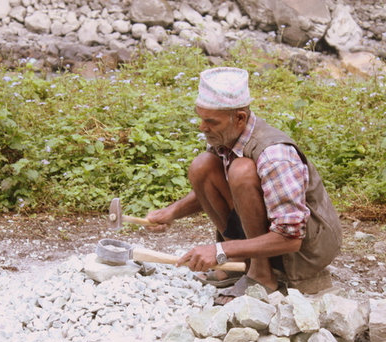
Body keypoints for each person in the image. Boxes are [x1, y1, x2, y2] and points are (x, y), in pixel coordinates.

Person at [146, 67, 342, 304]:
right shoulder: (229, 136)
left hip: (306, 251)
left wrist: (219, 251)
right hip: (272, 236)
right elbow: (214, 186)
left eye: (210, 121)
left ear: (239, 118)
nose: (201, 127)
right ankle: (242, 266)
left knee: (241, 171)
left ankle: (262, 274)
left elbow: (291, 238)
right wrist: (172, 212)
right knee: (203, 166)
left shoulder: (275, 156)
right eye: (201, 118)